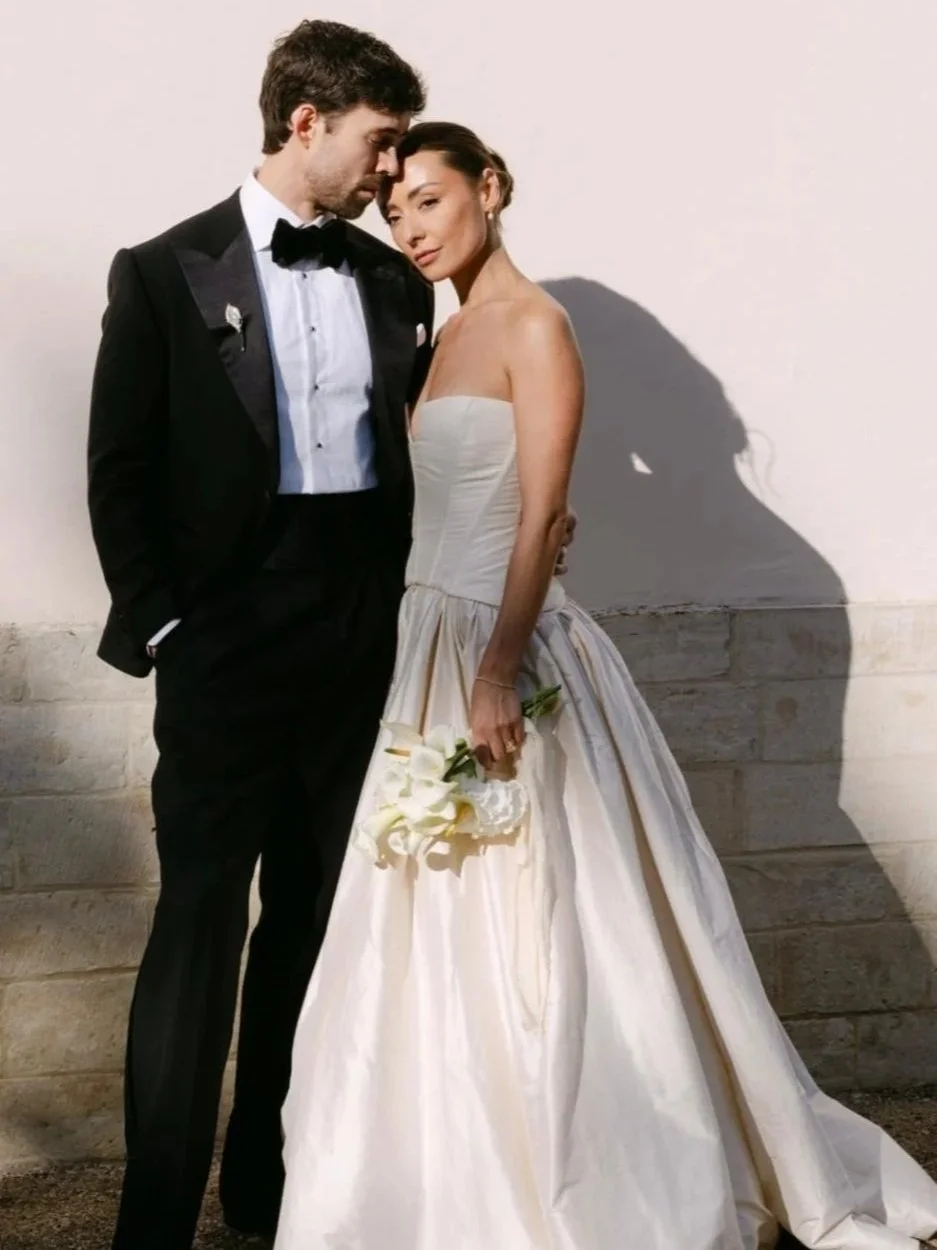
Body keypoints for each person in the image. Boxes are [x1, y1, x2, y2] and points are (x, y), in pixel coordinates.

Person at [273, 122, 937, 1250]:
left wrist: (495, 671)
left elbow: (539, 512)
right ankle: (445, 1166)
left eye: (429, 200)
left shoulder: (536, 324)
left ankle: (586, 1170)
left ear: (489, 187)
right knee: (433, 909)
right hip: (424, 641)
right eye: (395, 210)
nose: (410, 228)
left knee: (549, 914)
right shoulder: (443, 330)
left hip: (499, 649)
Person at [86, 21, 432, 1250]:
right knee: (197, 920)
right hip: (225, 641)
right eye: (379, 142)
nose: (391, 171)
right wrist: (170, 623)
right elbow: (120, 469)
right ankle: (154, 1217)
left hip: (358, 638)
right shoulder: (163, 270)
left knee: (315, 923)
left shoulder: (394, 281)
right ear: (306, 121)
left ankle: (267, 1187)